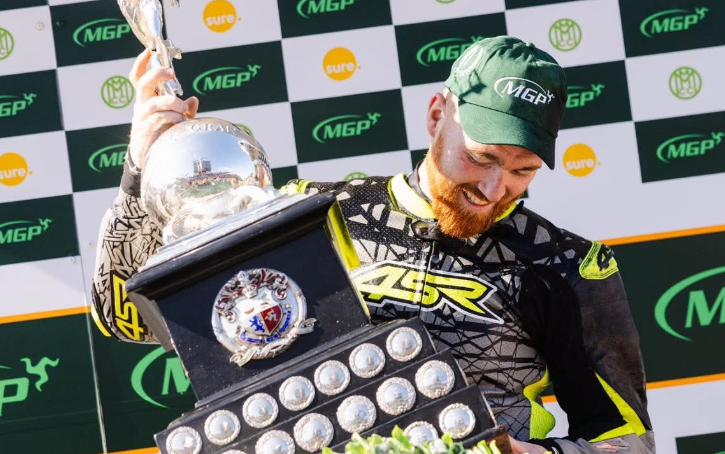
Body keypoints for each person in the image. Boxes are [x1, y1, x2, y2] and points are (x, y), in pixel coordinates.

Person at [91, 37, 655, 454]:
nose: (493, 189)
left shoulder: (563, 266)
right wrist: (138, 173)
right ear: (437, 115)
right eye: (480, 158)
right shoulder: (310, 214)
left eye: (522, 171)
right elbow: (127, 318)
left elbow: (629, 442)